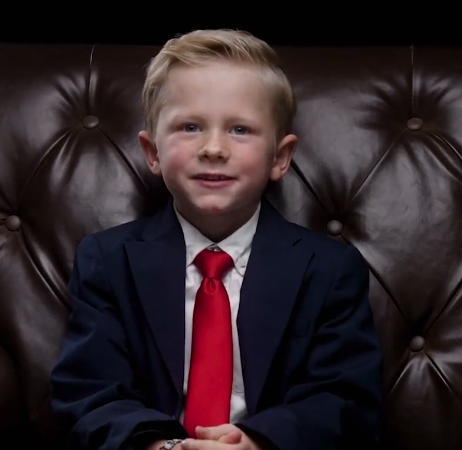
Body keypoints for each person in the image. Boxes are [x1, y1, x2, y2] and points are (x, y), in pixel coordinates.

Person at [50, 29, 383, 450]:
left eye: (240, 129)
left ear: (280, 157)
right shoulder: (107, 261)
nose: (213, 148)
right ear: (152, 152)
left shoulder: (330, 270)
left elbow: (344, 399)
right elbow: (89, 392)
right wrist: (162, 447)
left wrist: (257, 444)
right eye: (190, 127)